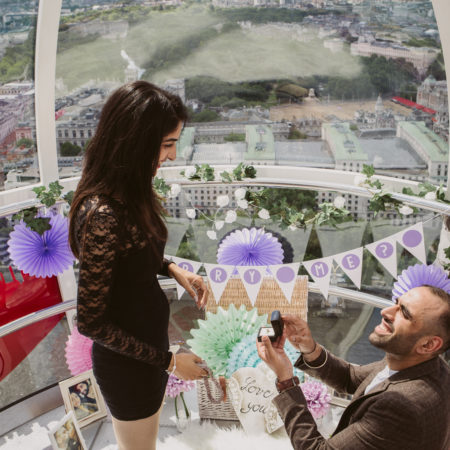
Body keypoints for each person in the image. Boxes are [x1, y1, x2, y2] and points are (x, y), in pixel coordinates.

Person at [68, 81, 209, 450]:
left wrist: (172, 268)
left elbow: (129, 258)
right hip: (130, 366)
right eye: (166, 144)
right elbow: (91, 321)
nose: (174, 156)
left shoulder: (128, 193)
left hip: (148, 353)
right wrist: (169, 362)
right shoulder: (103, 214)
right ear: (136, 141)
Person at [257, 285, 450, 449]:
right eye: (397, 303)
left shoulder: (400, 406)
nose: (386, 312)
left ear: (428, 345)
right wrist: (309, 348)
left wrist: (286, 381)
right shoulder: (423, 363)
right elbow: (350, 377)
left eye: (404, 313)